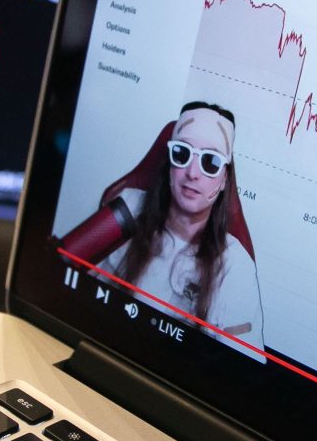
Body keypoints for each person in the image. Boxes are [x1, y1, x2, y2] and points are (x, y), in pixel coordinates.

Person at [98, 102, 264, 357]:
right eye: (182, 153)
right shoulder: (129, 207)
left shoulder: (235, 265)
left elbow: (240, 370)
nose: (192, 173)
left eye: (210, 162)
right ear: (169, 166)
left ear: (224, 181)